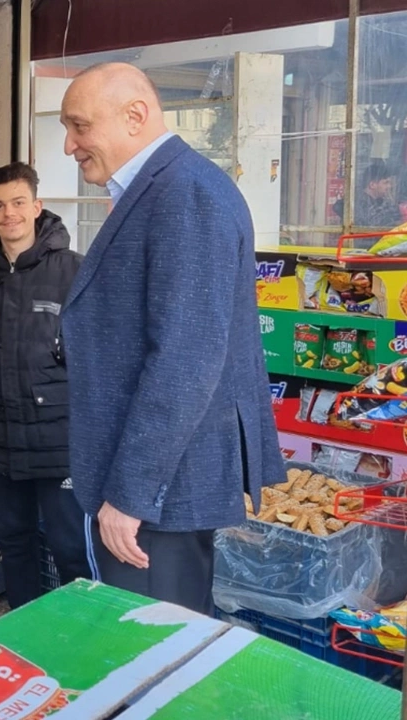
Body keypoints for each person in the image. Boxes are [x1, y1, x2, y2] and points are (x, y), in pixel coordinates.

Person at [57, 63, 283, 614]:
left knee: (151, 653)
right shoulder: (168, 187)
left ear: (135, 116)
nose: (69, 145)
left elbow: (185, 361)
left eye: (79, 126)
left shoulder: (185, 194)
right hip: (160, 484)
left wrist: (130, 495)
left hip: (161, 491)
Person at [0, 162, 90, 609]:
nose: (8, 213)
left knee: (70, 548)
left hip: (58, 440)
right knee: (13, 542)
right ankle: (25, 634)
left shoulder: (74, 271)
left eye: (17, 203)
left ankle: (80, 639)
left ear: (36, 207)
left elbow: (98, 350)